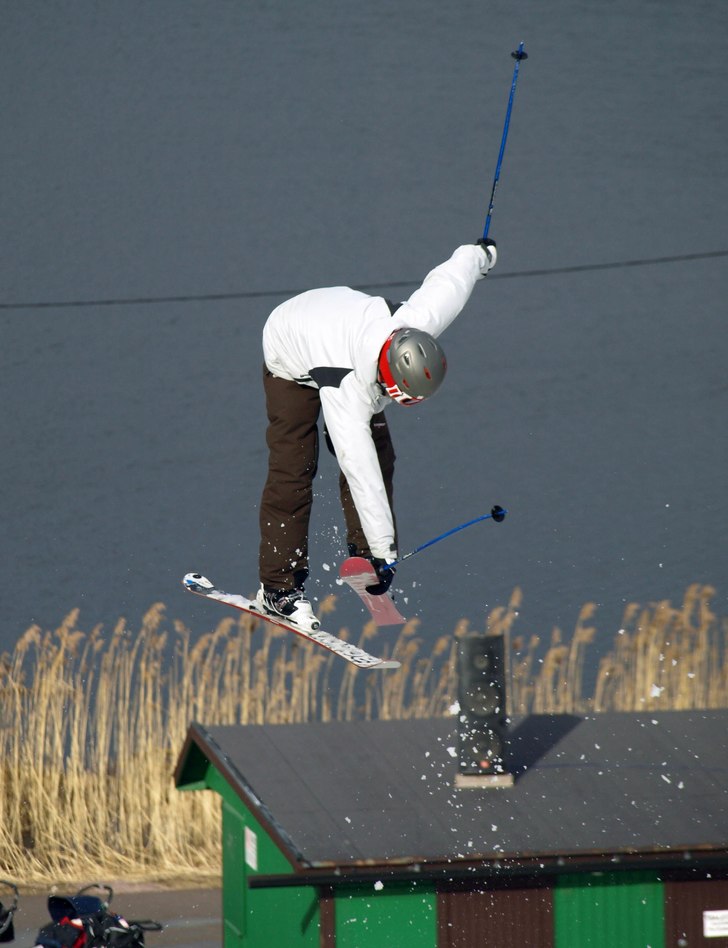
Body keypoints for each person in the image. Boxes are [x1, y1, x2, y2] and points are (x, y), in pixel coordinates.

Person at [256, 238, 497, 630]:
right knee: (295, 468)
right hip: (289, 346)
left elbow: (450, 283)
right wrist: (388, 551)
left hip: (337, 321)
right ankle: (279, 590)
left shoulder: (416, 325)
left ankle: (365, 554)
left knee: (382, 453)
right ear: (392, 381)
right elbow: (358, 469)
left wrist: (480, 255)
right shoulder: (348, 391)